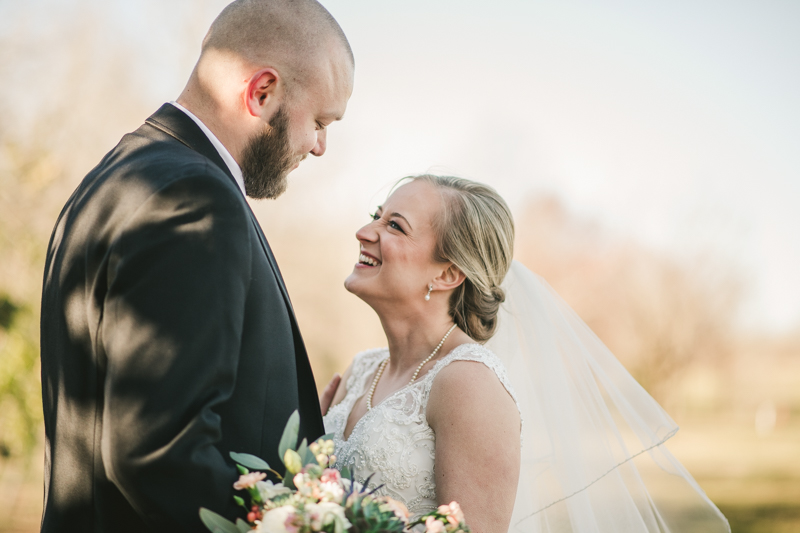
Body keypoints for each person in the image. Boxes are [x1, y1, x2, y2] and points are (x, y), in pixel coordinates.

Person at [39, 1, 353, 531]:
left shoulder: (122, 174)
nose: (319, 146)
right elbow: (157, 452)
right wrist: (293, 524)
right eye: (320, 121)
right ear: (262, 92)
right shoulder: (193, 199)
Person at [322, 175, 731, 532]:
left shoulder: (467, 382)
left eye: (394, 225)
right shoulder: (362, 370)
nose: (364, 231)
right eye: (377, 215)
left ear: (447, 273)